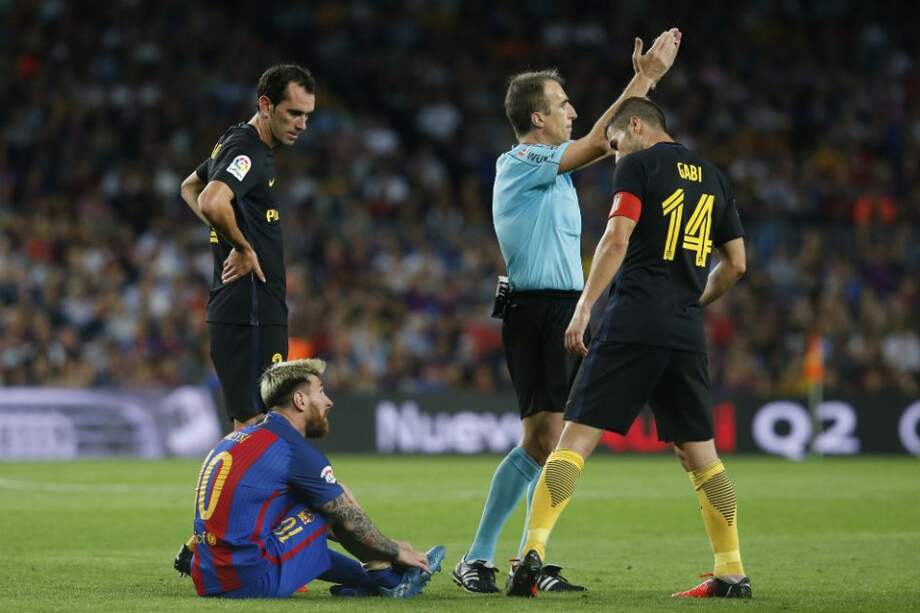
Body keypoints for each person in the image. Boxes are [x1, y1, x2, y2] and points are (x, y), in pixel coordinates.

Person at [452, 30, 682, 595]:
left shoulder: (549, 169)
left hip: (559, 310)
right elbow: (608, 140)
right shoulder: (522, 160)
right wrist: (645, 79)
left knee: (547, 442)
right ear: (537, 119)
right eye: (562, 104)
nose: (572, 110)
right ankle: (486, 557)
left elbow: (599, 142)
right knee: (546, 439)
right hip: (536, 312)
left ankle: (522, 558)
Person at [507, 97, 751, 599]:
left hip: (632, 321)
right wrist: (693, 301)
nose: (615, 154)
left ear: (635, 126)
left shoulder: (638, 165)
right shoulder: (713, 176)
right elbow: (737, 263)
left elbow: (617, 238)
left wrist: (584, 307)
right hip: (684, 330)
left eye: (615, 144)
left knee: (574, 441)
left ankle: (530, 556)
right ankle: (731, 571)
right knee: (701, 456)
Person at [175, 63, 312, 574]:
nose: (301, 124)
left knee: (250, 432)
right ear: (266, 105)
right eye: (293, 113)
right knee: (257, 432)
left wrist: (229, 237)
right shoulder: (249, 150)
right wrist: (242, 246)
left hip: (249, 310)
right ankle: (215, 545)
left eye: (307, 115)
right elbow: (210, 197)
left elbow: (189, 187)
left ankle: (204, 543)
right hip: (250, 309)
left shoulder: (233, 143)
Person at [190, 358, 445, 598]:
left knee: (315, 504)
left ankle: (373, 580)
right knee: (334, 501)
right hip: (248, 580)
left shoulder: (242, 437)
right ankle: (390, 581)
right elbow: (347, 520)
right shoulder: (292, 449)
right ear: (300, 400)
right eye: (321, 391)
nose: (329, 401)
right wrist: (397, 551)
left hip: (208, 576)